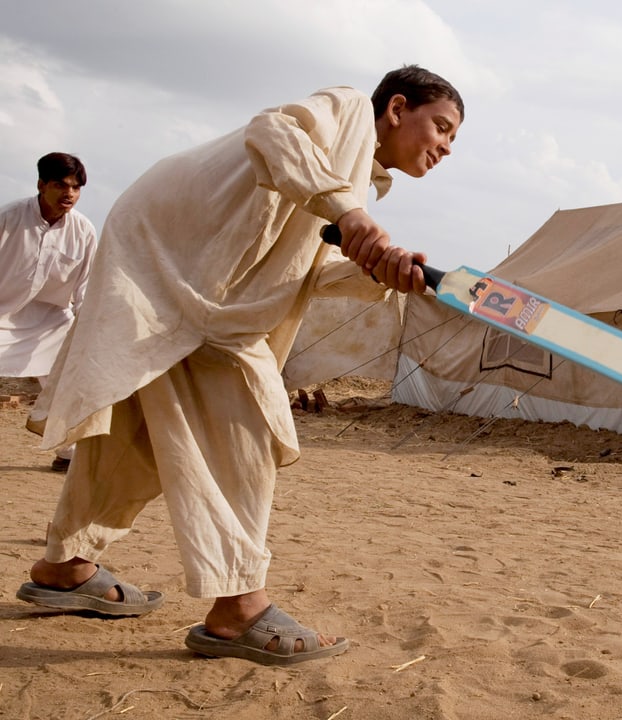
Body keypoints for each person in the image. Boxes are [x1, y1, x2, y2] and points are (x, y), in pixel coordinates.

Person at [15, 65, 464, 666]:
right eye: (441, 126)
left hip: (180, 270)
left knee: (136, 436)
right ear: (396, 107)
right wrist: (351, 216)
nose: (446, 147)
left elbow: (298, 272)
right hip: (184, 268)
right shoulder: (351, 111)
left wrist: (377, 272)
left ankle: (64, 565)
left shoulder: (351, 181)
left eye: (453, 139)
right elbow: (272, 131)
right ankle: (239, 608)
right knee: (249, 425)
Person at [0, 153, 98, 472]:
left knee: (70, 373)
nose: (69, 193)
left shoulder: (84, 231)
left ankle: (67, 452)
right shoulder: (9, 217)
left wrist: (87, 335)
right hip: (2, 316)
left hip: (52, 323)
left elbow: (86, 289)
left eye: (76, 187)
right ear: (42, 185)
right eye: (60, 185)